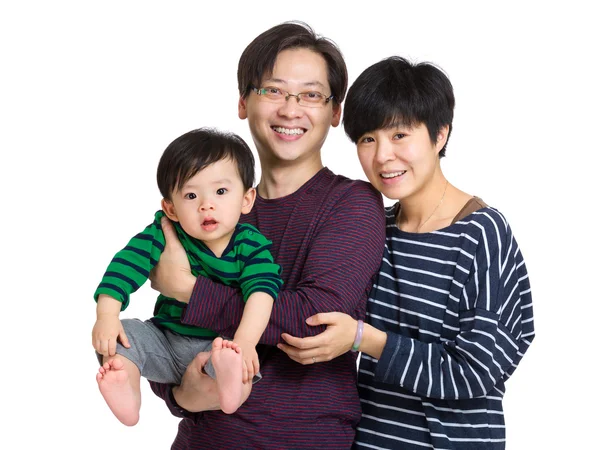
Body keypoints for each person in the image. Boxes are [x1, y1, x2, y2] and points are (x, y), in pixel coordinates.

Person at [146, 22, 387, 448]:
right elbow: (173, 330)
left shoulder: (352, 203)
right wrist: (181, 394)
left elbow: (315, 319)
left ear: (335, 112)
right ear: (243, 102)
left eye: (311, 95)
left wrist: (190, 289)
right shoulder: (208, 205)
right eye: (273, 91)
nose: (291, 110)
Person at [279, 56, 535, 449]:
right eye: (368, 139)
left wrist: (364, 339)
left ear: (440, 135)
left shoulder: (483, 234)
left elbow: (475, 372)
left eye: (400, 135)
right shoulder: (373, 227)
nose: (382, 156)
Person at [92, 127, 283, 425]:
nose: (206, 204)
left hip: (218, 347)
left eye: (221, 192)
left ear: (246, 199)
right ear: (171, 208)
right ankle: (125, 384)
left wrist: (245, 341)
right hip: (166, 342)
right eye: (191, 195)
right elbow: (126, 263)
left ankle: (229, 388)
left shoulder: (251, 244)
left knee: (238, 360)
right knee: (123, 335)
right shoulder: (165, 233)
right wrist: (106, 314)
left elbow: (261, 294)